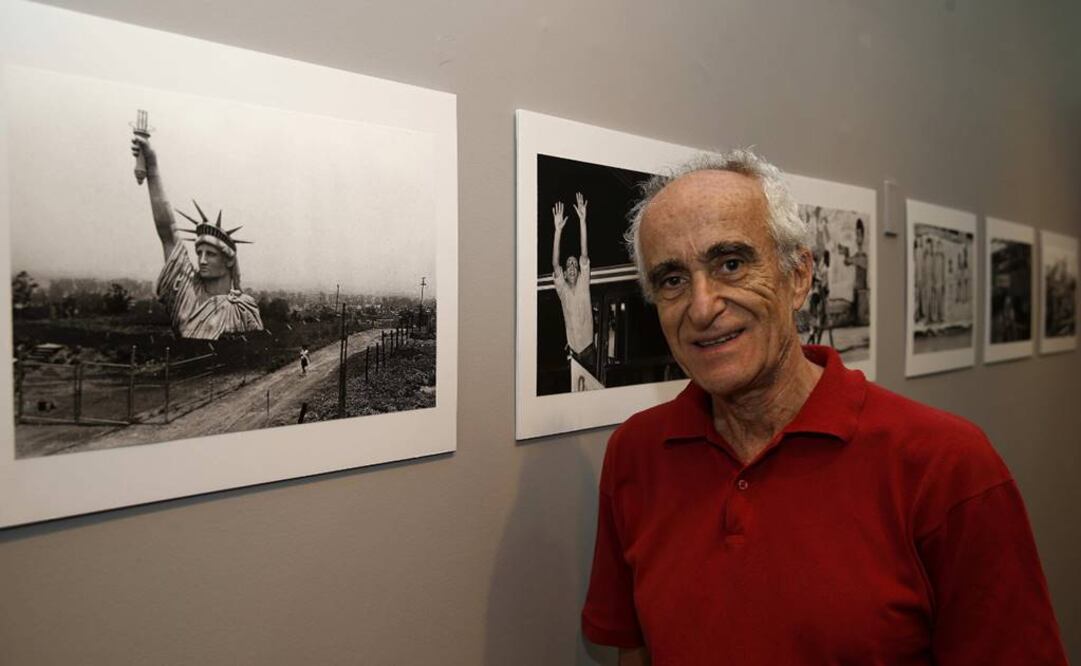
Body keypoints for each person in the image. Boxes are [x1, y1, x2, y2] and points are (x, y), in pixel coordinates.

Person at [581, 150, 1067, 665]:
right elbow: (633, 651)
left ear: (798, 277)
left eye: (731, 263)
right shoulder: (635, 453)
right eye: (673, 279)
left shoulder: (947, 466)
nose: (703, 307)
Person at [131, 136, 264, 340]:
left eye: (210, 254)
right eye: (199, 252)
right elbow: (168, 231)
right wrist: (152, 168)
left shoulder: (244, 308)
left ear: (228, 259)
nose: (201, 260)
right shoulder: (187, 293)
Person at [552, 192, 599, 390]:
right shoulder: (562, 290)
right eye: (568, 264)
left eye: (574, 265)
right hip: (572, 353)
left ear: (579, 270)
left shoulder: (583, 283)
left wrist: (582, 220)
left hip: (589, 351)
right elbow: (555, 262)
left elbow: (584, 252)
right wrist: (557, 230)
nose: (571, 266)